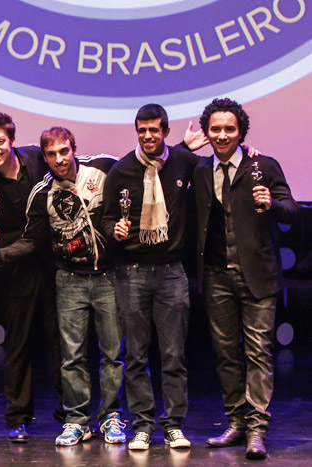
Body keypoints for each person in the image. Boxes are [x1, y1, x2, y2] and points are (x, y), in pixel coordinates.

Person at [0, 127, 125, 446]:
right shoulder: (27, 189)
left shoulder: (99, 167)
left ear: (74, 148)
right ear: (44, 156)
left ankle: (99, 417)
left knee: (103, 352)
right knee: (51, 351)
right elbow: (32, 240)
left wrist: (180, 147)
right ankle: (55, 419)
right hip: (46, 276)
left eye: (64, 151)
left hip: (91, 274)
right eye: (51, 154)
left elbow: (136, 165)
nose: (59, 159)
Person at [194, 98, 298, 460]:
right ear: (207, 132)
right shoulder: (199, 170)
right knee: (225, 355)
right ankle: (237, 423)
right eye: (216, 129)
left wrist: (272, 203)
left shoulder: (263, 166)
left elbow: (291, 209)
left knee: (258, 354)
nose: (222, 135)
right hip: (217, 275)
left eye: (229, 129)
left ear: (241, 132)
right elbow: (163, 163)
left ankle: (257, 429)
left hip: (258, 276)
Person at [101, 104, 198, 451]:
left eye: (154, 130)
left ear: (166, 132)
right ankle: (142, 425)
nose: (147, 136)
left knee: (174, 355)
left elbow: (219, 163)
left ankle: (173, 425)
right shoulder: (121, 170)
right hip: (132, 272)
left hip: (172, 272)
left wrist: (249, 151)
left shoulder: (185, 163)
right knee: (137, 356)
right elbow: (106, 218)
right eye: (141, 130)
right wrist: (115, 229)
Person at [0, 113, 64, 443]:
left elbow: (75, 168)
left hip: (51, 266)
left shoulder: (37, 158)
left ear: (11, 139)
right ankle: (18, 417)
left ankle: (70, 414)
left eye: (0, 141)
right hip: (11, 271)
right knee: (18, 345)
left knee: (60, 343)